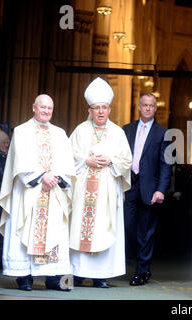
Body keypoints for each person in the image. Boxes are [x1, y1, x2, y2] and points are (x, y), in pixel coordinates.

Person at [0, 94, 75, 291]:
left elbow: (67, 161)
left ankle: (52, 278)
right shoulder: (22, 131)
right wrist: (42, 177)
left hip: (54, 192)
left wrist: (55, 177)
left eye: (49, 108)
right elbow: (20, 161)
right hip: (29, 192)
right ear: (34, 107)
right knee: (25, 230)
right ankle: (24, 277)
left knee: (55, 233)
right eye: (42, 107)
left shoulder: (60, 133)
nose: (46, 111)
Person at [69, 77, 132, 288]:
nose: (101, 112)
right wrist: (85, 160)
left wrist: (111, 161)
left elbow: (127, 161)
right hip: (82, 191)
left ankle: (100, 275)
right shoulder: (79, 131)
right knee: (80, 227)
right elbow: (67, 157)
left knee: (103, 228)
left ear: (110, 109)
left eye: (104, 107)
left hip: (106, 190)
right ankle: (77, 273)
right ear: (89, 111)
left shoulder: (118, 133)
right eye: (96, 108)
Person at [122, 93, 171, 286]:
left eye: (152, 105)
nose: (148, 108)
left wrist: (161, 190)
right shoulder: (126, 130)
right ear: (139, 107)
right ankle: (137, 264)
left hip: (150, 190)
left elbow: (167, 165)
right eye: (145, 105)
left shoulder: (163, 133)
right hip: (129, 187)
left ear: (155, 108)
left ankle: (142, 271)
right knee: (127, 227)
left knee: (146, 233)